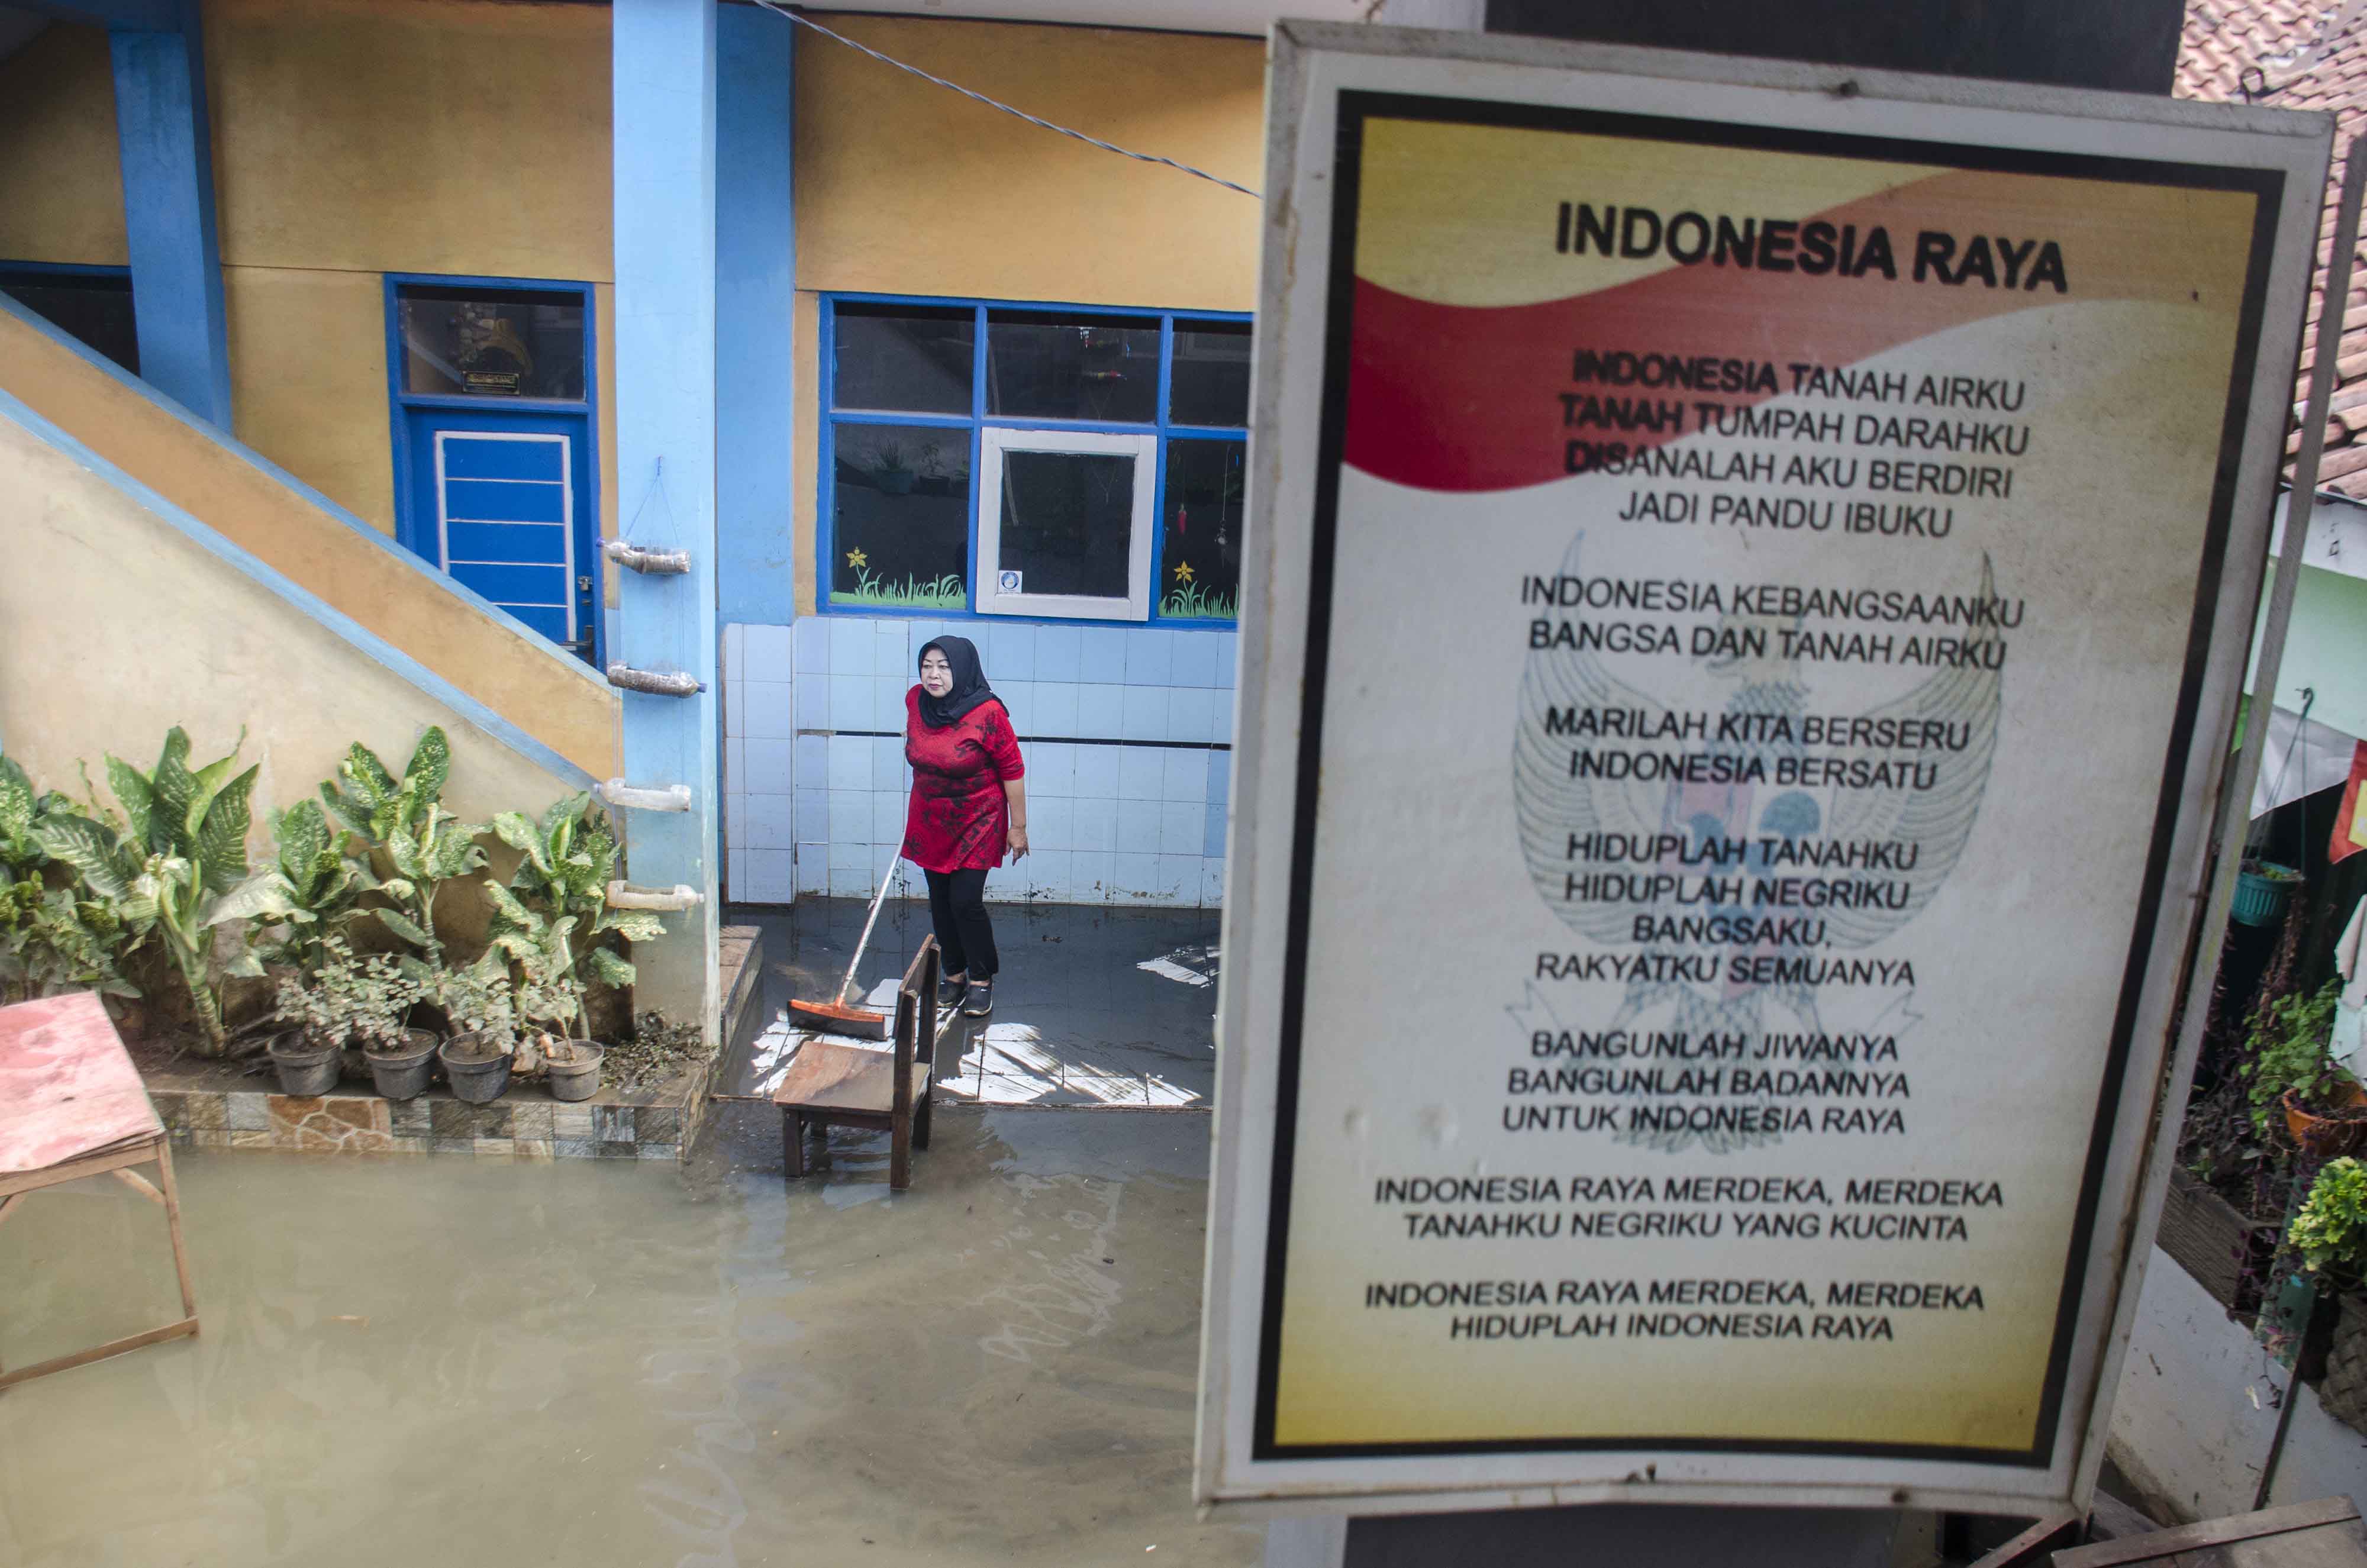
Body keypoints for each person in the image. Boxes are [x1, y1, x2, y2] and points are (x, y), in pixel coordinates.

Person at [902, 635, 1027, 1017]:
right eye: (927, 666)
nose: (933, 675)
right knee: (939, 900)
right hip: (931, 818)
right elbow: (918, 745)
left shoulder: (988, 713)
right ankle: (953, 974)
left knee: (965, 901)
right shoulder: (915, 701)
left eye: (943, 666)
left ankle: (981, 978)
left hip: (979, 817)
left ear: (962, 668)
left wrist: (1018, 827)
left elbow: (1013, 770)